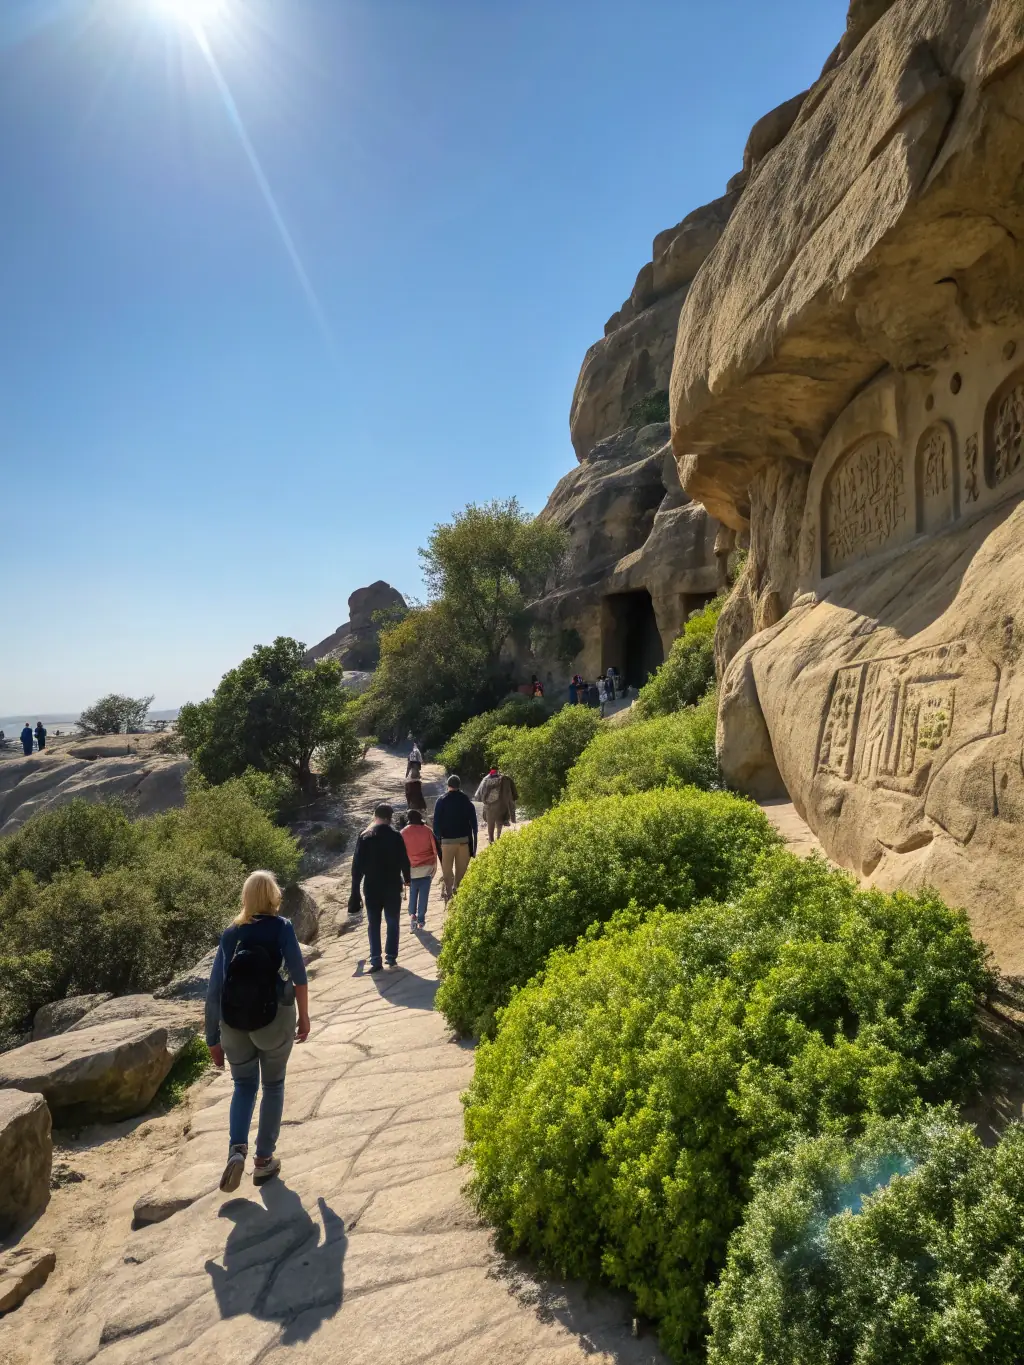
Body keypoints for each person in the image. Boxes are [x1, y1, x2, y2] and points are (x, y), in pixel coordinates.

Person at [205, 869, 310, 1193]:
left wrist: (212, 1039)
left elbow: (214, 990)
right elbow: (299, 976)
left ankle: (237, 1149)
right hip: (273, 1021)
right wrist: (303, 1017)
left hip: (234, 1024)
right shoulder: (282, 928)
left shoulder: (231, 934)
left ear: (246, 898)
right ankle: (263, 1161)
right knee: (273, 1086)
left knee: (243, 1086)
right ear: (273, 896)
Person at [350, 802, 411, 972]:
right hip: (392, 885)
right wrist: (407, 879)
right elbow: (404, 860)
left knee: (373, 922)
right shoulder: (396, 836)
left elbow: (357, 865)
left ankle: (375, 960)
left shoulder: (365, 836)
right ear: (390, 819)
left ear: (375, 816)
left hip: (371, 887)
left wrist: (355, 889)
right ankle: (391, 957)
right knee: (392, 921)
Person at [432, 774, 478, 899]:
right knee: (461, 870)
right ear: (459, 786)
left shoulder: (441, 800)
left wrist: (438, 839)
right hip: (464, 841)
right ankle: (458, 889)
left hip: (446, 842)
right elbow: (474, 825)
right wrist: (474, 847)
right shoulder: (466, 800)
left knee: (447, 869)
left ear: (448, 785)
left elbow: (435, 823)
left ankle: (449, 891)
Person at [401, 809, 440, 929]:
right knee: (424, 895)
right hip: (427, 868)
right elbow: (435, 849)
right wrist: (435, 865)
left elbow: (400, 853)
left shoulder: (403, 832)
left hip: (411, 869)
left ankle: (412, 915)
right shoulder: (428, 830)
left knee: (413, 892)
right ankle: (421, 920)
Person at [474, 766, 518, 844]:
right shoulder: (505, 778)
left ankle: (491, 839)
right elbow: (513, 792)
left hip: (489, 805)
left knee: (490, 823)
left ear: (491, 770)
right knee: (499, 822)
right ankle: (498, 836)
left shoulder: (486, 778)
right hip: (501, 805)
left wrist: (481, 799)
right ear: (498, 770)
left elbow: (479, 792)